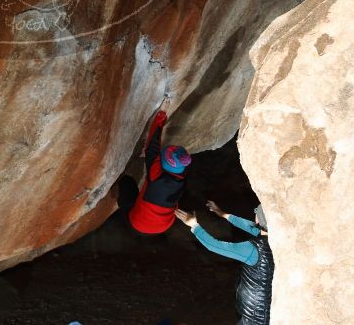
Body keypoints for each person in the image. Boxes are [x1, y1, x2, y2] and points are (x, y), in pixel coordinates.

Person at [175, 202, 274, 325]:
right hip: (261, 311)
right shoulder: (275, 240)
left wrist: (194, 225)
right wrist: (224, 214)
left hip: (253, 318)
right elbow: (251, 227)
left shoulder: (254, 249)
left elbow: (214, 245)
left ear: (257, 219)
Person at [116, 106, 192, 235]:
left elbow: (152, 145)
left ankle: (122, 214)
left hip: (137, 222)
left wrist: (160, 117)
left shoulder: (156, 176)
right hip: (162, 227)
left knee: (126, 181)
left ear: (162, 163)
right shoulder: (181, 180)